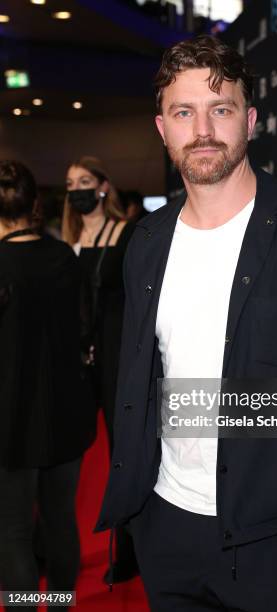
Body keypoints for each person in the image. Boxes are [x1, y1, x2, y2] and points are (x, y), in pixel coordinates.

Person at [95, 35, 277, 611]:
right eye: (184, 112)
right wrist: (143, 518)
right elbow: (139, 379)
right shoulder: (146, 242)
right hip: (166, 530)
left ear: (249, 120)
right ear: (163, 128)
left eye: (220, 109)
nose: (202, 130)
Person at [0, 160, 95, 611]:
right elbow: (83, 330)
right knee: (59, 523)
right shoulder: (62, 258)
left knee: (14, 531)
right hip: (64, 413)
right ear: (35, 204)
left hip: (10, 418)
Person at [62, 156, 138, 585]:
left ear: (103, 187)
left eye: (85, 181)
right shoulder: (66, 239)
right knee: (62, 454)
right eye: (71, 183)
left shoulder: (125, 234)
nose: (77, 189)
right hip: (75, 360)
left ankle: (129, 550)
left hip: (115, 357)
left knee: (121, 456)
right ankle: (48, 545)